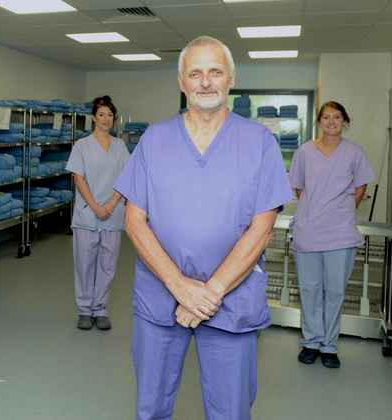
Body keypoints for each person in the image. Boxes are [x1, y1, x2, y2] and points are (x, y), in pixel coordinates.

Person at [114, 35, 292, 420]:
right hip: (160, 299)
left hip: (230, 301)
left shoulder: (259, 142)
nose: (205, 82)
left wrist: (210, 292)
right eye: (195, 73)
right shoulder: (154, 140)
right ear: (182, 82)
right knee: (151, 408)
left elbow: (262, 227)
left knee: (230, 411)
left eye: (215, 72)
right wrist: (179, 286)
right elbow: (134, 220)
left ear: (231, 79)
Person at [288, 101, 375, 369]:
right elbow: (299, 188)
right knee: (310, 290)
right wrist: (314, 210)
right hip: (309, 231)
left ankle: (329, 345)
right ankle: (311, 342)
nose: (331, 122)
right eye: (326, 117)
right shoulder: (304, 152)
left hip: (340, 234)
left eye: (337, 117)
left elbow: (360, 187)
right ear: (319, 121)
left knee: (335, 291)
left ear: (344, 121)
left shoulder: (354, 153)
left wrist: (340, 210)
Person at [66, 95, 130, 330]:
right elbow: (78, 178)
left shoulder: (120, 146)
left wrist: (111, 205)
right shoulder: (82, 146)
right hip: (87, 214)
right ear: (94, 118)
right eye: (101, 114)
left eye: (110, 115)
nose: (105, 119)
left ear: (114, 119)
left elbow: (126, 179)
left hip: (113, 214)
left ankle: (100, 309)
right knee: (84, 264)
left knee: (107, 265)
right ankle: (84, 310)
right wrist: (95, 207)